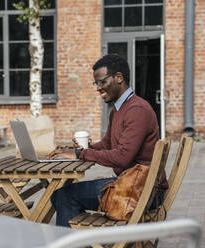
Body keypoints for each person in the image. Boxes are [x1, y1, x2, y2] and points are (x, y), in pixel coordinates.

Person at [48, 54, 168, 227]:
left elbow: (122, 157)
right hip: (131, 184)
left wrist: (81, 154)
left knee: (64, 196)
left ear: (118, 78)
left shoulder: (137, 110)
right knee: (62, 195)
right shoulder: (119, 109)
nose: (98, 88)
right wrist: (86, 148)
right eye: (96, 83)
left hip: (142, 191)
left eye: (102, 82)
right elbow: (107, 144)